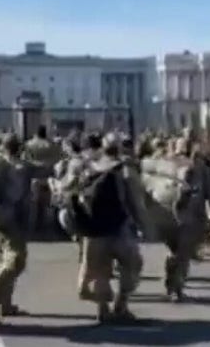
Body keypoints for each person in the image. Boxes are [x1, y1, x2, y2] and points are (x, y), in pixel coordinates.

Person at [75, 134, 151, 323]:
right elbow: (135, 202)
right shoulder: (124, 170)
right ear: (119, 149)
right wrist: (144, 226)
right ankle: (121, 305)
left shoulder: (89, 168)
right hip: (119, 227)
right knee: (132, 265)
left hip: (94, 229)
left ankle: (102, 309)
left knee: (99, 269)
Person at [0, 134, 31, 327]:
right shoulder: (19, 167)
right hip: (10, 220)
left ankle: (6, 304)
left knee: (5, 260)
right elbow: (16, 194)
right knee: (14, 262)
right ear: (19, 148)